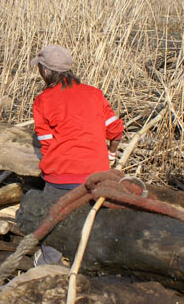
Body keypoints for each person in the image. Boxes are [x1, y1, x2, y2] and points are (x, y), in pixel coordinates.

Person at [31, 45, 124, 194]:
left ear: (46, 71)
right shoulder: (94, 94)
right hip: (97, 177)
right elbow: (116, 131)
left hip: (60, 178)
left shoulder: (43, 100)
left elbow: (47, 143)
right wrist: (111, 155)